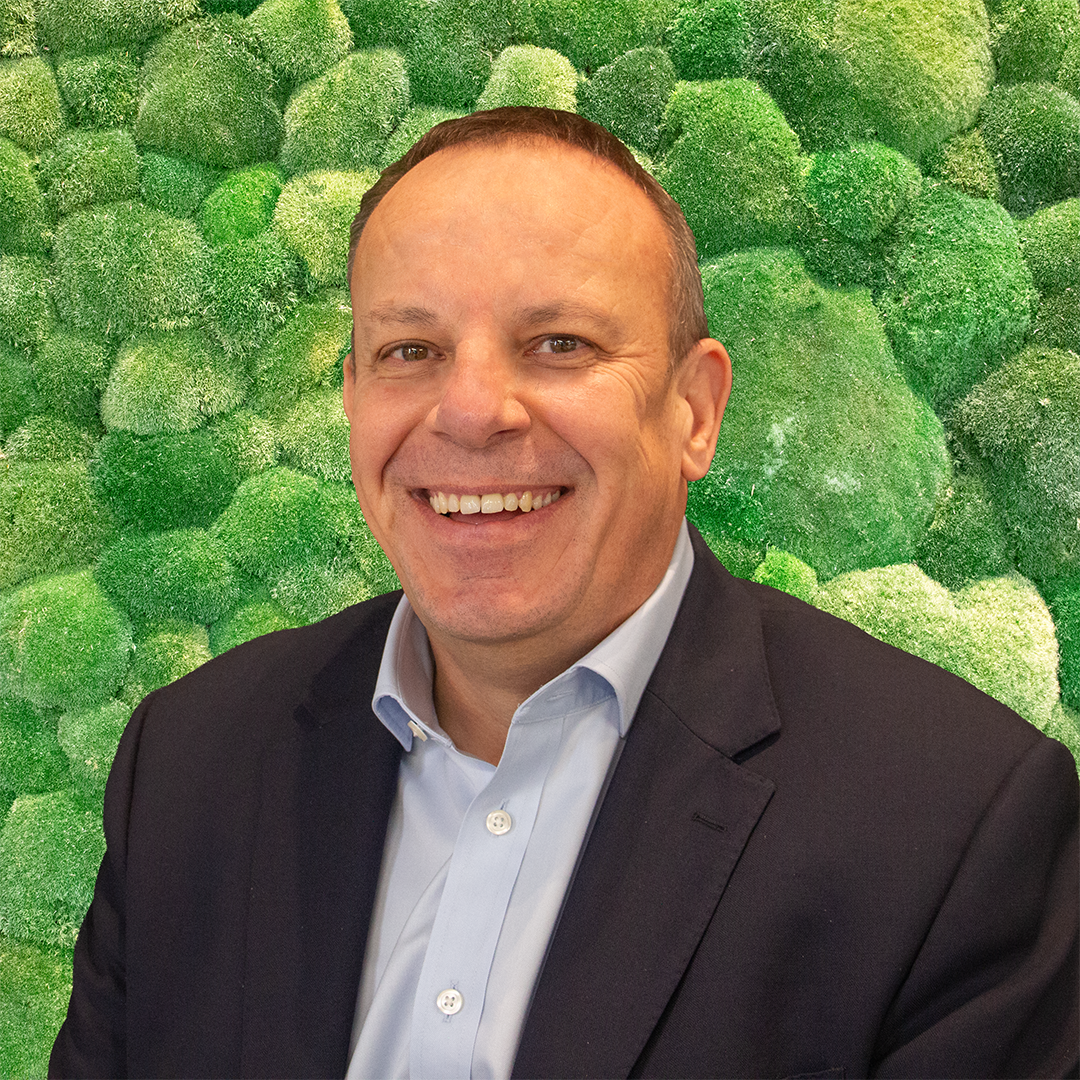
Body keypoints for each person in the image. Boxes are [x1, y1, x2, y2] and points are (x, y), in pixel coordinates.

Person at [51, 107, 1080, 1080]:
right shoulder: (187, 761)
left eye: (560, 345)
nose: (471, 411)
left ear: (695, 412)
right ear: (355, 399)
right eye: (411, 350)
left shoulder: (957, 825)